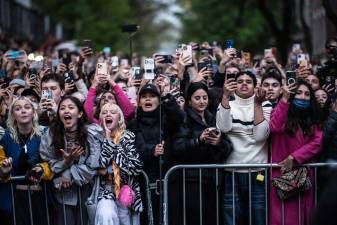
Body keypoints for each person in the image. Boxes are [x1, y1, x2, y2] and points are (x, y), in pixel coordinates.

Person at [171, 82, 232, 225]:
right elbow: (178, 148)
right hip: (191, 181)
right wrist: (198, 140)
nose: (202, 101)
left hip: (212, 180)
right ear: (189, 100)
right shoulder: (183, 118)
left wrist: (218, 143)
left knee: (211, 219)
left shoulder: (213, 117)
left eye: (204, 97)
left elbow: (228, 146)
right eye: (197, 98)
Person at [216, 71, 272, 225]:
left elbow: (260, 135)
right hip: (231, 171)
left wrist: (257, 104)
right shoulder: (227, 103)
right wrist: (225, 96)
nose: (244, 84)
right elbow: (224, 127)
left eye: (248, 81)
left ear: (255, 86)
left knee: (258, 216)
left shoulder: (265, 104)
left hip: (258, 172)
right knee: (231, 217)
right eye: (240, 81)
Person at [128, 83, 184, 225]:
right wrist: (152, 151)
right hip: (144, 181)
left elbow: (178, 118)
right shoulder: (134, 123)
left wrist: (166, 96)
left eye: (152, 96)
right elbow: (137, 148)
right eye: (144, 97)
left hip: (168, 180)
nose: (148, 100)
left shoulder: (165, 119)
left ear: (158, 100)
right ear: (139, 101)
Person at [39, 96, 101, 225]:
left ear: (79, 113)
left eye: (71, 107)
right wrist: (65, 163)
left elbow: (93, 165)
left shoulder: (92, 134)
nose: (66, 111)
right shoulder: (50, 136)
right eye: (62, 108)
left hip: (86, 190)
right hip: (62, 190)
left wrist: (69, 172)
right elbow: (48, 161)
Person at [269, 80, 323, 225]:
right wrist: (284, 99)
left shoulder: (313, 118)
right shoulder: (281, 110)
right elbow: (274, 127)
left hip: (305, 177)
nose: (303, 97)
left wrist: (294, 157)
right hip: (283, 177)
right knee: (284, 218)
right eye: (298, 93)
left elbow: (317, 142)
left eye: (307, 94)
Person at [0, 97, 51, 225]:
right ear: (12, 114)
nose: (23, 111)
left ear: (34, 112)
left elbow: (53, 162)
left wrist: (42, 169)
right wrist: (4, 172)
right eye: (18, 109)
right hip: (15, 199)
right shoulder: (6, 138)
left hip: (41, 198)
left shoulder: (44, 134)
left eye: (27, 107)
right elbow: (2, 171)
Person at [95, 103, 143, 225]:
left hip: (127, 192)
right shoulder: (96, 138)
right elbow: (101, 164)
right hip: (106, 191)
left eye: (112, 112)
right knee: (106, 216)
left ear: (119, 118)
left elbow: (135, 167)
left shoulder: (128, 137)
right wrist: (107, 138)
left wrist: (110, 167)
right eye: (104, 112)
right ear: (101, 118)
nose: (108, 114)